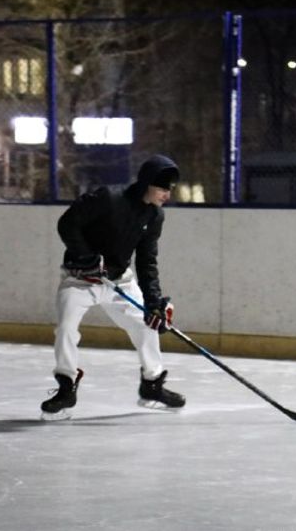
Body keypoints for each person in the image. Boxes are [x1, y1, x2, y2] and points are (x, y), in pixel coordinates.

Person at [40, 154, 185, 420]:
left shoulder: (154, 216)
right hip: (80, 279)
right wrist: (86, 257)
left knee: (147, 324)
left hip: (119, 281)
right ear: (147, 183)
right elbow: (67, 223)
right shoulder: (109, 198)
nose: (167, 193)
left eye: (170, 189)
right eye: (163, 187)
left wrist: (153, 303)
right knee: (66, 329)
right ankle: (66, 386)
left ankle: (152, 384)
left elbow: (146, 260)